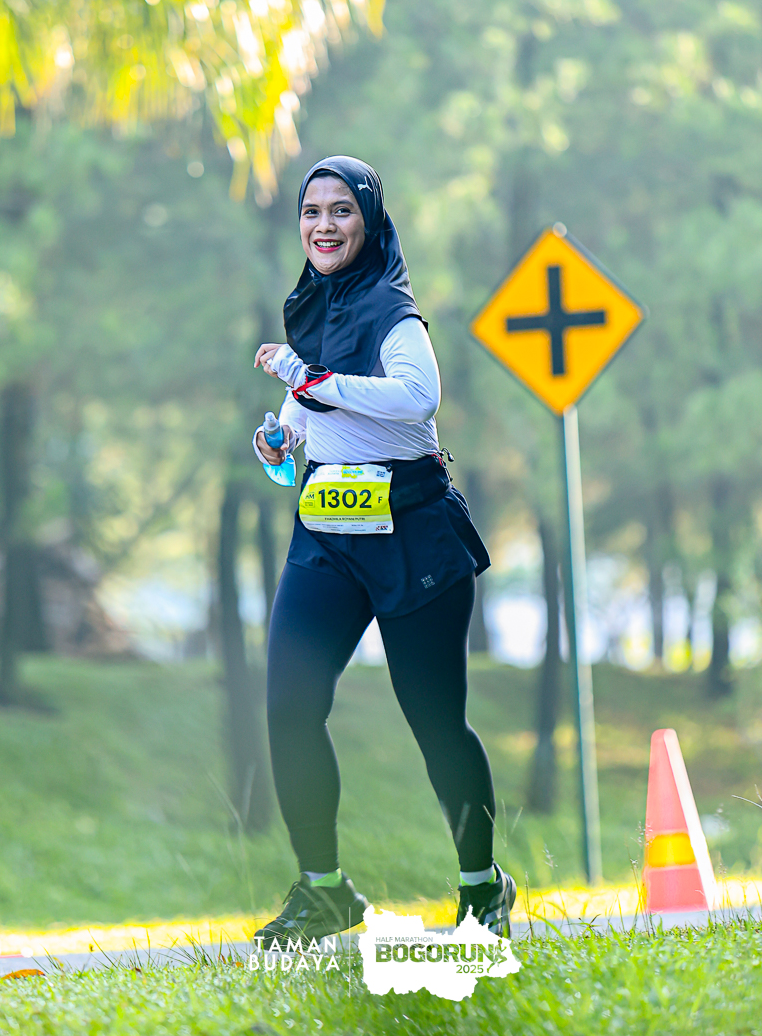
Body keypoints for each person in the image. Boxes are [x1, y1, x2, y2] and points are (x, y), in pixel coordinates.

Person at [251, 155, 516, 947]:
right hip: (327, 532)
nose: (323, 225)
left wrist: (309, 381)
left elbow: (415, 398)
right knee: (289, 705)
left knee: (435, 722)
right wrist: (280, 439)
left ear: (369, 222)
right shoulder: (311, 305)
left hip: (412, 534)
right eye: (311, 212)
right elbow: (309, 416)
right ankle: (323, 890)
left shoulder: (393, 312)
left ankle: (481, 886)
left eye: (341, 210)